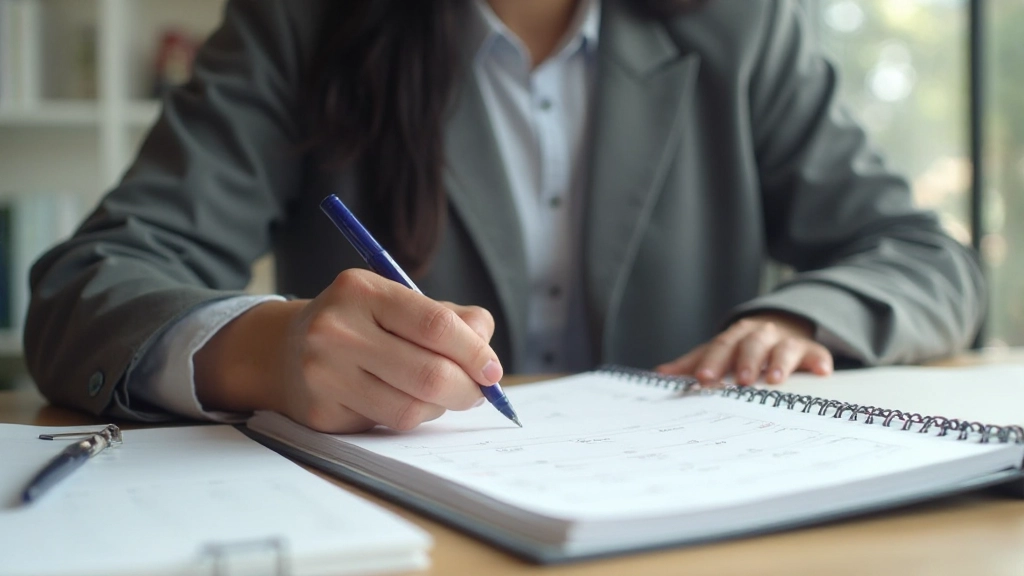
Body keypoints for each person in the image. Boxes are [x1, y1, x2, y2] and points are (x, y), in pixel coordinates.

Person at [24, 0, 984, 433]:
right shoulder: (300, 22)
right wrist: (266, 350)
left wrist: (799, 320)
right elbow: (84, 289)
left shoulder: (741, 26)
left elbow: (928, 258)